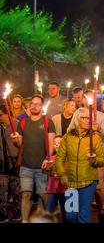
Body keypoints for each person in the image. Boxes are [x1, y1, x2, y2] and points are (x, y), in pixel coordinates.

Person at [56, 107, 104, 223]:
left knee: (84, 215)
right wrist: (61, 174)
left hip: (88, 181)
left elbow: (102, 159)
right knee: (71, 216)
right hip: (71, 181)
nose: (88, 120)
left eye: (90, 118)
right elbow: (59, 158)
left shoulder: (95, 137)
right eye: (85, 118)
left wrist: (94, 161)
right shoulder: (67, 137)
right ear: (77, 119)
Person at [67, 90, 104, 223]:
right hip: (78, 158)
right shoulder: (77, 114)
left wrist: (99, 130)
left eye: (90, 98)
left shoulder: (101, 116)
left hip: (96, 158)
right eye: (85, 98)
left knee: (98, 187)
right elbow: (70, 131)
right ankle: (76, 212)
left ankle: (100, 209)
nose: (87, 100)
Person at [11, 95, 55, 223]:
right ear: (29, 106)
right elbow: (19, 143)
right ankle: (24, 221)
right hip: (25, 165)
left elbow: (51, 143)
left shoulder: (48, 122)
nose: (34, 106)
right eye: (32, 104)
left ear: (41, 106)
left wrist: (48, 158)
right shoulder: (23, 122)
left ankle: (49, 217)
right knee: (26, 194)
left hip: (41, 166)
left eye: (37, 104)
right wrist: (16, 139)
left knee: (43, 195)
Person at [0, 105, 20, 222]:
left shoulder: (16, 125)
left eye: (1, 114)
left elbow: (22, 144)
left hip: (14, 162)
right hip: (2, 163)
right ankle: (3, 215)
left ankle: (18, 213)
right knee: (2, 191)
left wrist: (19, 160)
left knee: (16, 190)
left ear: (7, 114)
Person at [46, 136, 66, 222]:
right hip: (52, 190)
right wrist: (48, 167)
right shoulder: (51, 158)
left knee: (65, 212)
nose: (57, 145)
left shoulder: (67, 158)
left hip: (64, 189)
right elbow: (46, 171)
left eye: (59, 143)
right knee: (48, 211)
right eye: (55, 144)